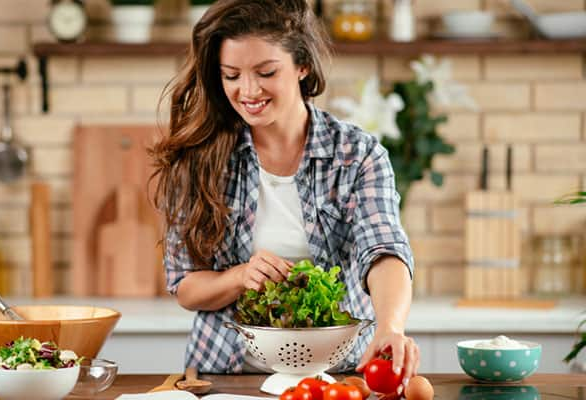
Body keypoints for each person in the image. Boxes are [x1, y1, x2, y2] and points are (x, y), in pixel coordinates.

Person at [149, 0, 419, 387]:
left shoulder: (357, 155)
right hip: (226, 376)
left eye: (266, 72)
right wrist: (241, 276)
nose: (248, 90)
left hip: (340, 376)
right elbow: (186, 286)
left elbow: (384, 249)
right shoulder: (197, 159)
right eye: (231, 75)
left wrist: (392, 325)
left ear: (302, 65)